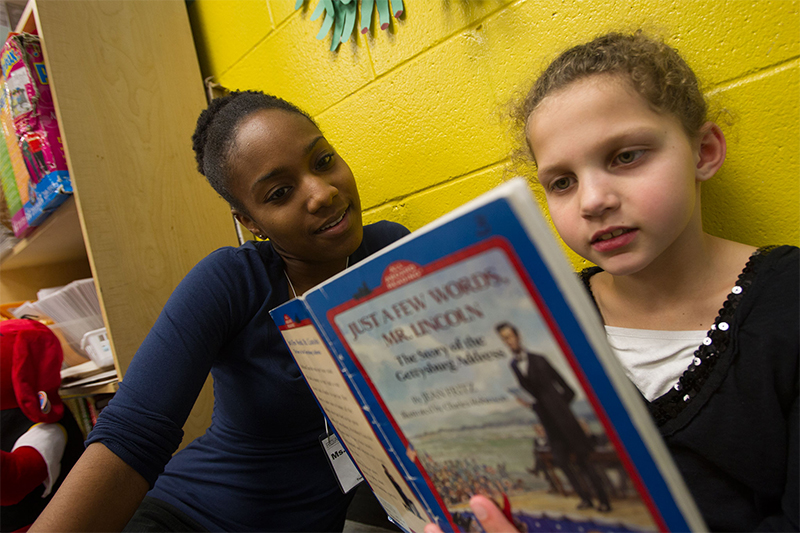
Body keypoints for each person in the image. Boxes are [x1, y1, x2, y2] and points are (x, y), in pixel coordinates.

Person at [428, 31, 798, 533]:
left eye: (626, 156)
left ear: (704, 151)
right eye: (562, 182)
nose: (592, 201)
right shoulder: (541, 316)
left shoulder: (788, 302)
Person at [30, 90, 410, 532]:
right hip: (194, 518)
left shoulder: (392, 256)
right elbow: (132, 435)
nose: (322, 193)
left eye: (324, 161)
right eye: (280, 192)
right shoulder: (231, 281)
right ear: (250, 221)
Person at [495, 322, 610, 512]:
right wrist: (531, 405)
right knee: (562, 462)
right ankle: (585, 499)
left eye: (510, 336)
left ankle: (604, 501)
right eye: (504, 339)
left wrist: (560, 408)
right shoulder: (514, 365)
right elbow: (532, 394)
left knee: (584, 461)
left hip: (566, 422)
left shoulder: (539, 359)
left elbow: (569, 390)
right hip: (548, 425)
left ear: (518, 336)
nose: (508, 341)